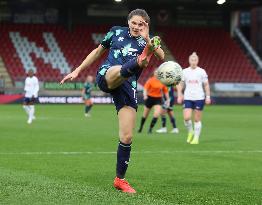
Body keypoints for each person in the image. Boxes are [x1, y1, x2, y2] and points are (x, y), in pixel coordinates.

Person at [60, 9, 165, 193]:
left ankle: (120, 180)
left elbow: (162, 56)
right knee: (123, 67)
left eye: (141, 24)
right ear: (128, 22)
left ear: (146, 26)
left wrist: (148, 39)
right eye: (134, 22)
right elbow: (97, 51)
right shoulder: (116, 31)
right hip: (107, 75)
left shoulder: (149, 40)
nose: (136, 26)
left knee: (127, 137)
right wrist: (78, 70)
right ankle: (138, 62)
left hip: (127, 86)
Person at [177, 52, 211, 144]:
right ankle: (190, 132)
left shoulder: (202, 71)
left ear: (197, 61)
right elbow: (180, 84)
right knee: (187, 118)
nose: (193, 61)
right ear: (189, 60)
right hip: (188, 97)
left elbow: (206, 85)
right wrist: (180, 94)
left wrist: (208, 96)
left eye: (195, 60)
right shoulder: (184, 72)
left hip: (199, 97)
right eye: (192, 59)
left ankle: (196, 138)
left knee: (196, 119)